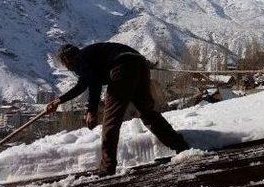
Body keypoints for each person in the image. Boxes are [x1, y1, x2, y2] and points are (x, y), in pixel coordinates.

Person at [46, 42, 190, 176]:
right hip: (139, 63)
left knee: (111, 120)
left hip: (121, 68)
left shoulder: (80, 60)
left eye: (65, 63)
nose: (68, 67)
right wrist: (59, 100)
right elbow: (83, 84)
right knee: (147, 112)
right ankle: (180, 145)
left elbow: (93, 84)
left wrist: (92, 111)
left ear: (67, 59)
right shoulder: (86, 57)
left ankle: (107, 168)